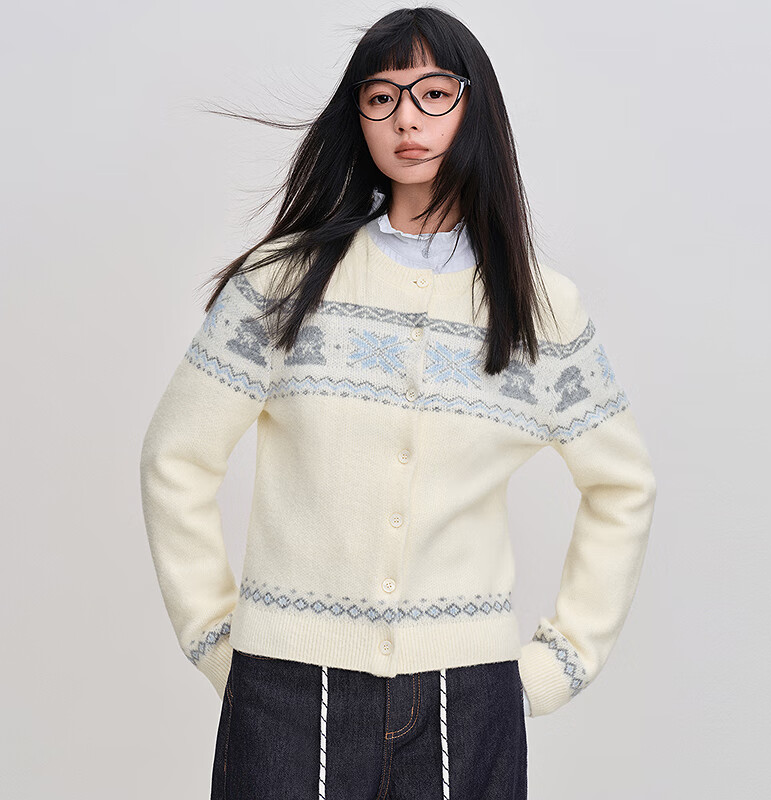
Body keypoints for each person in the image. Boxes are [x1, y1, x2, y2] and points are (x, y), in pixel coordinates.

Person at [139, 7, 657, 799]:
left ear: (475, 107)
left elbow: (623, 485)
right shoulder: (281, 283)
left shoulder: (541, 310)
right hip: (286, 688)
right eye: (380, 98)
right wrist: (215, 637)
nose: (406, 119)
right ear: (359, 119)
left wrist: (561, 662)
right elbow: (176, 457)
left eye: (433, 93)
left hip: (469, 697)